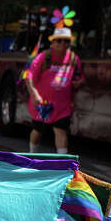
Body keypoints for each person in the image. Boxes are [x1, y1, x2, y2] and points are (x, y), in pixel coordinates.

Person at [24, 25, 83, 155]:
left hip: (62, 105)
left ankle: (62, 163)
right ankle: (32, 154)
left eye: (66, 41)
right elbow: (28, 78)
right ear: (53, 42)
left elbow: (79, 78)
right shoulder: (43, 57)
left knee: (61, 130)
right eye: (59, 40)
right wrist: (35, 96)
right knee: (38, 130)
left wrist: (78, 82)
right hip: (42, 104)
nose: (63, 43)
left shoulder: (74, 59)